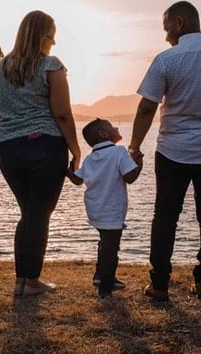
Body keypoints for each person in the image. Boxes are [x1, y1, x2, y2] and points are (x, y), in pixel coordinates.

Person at [129, 1, 201, 300]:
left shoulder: (167, 59)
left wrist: (134, 146)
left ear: (179, 23)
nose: (166, 33)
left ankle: (159, 284)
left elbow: (146, 107)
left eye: (166, 26)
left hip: (173, 151)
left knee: (165, 216)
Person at [0, 10, 81, 296]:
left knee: (28, 213)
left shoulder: (0, 69)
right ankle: (31, 281)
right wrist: (76, 150)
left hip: (8, 148)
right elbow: (63, 114)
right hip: (44, 146)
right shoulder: (50, 66)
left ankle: (22, 280)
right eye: (51, 36)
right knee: (39, 215)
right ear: (40, 36)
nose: (53, 43)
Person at [66, 119, 143, 298]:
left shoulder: (90, 158)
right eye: (112, 126)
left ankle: (101, 275)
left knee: (105, 243)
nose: (116, 127)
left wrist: (70, 169)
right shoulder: (119, 152)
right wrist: (138, 163)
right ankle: (106, 286)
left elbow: (77, 179)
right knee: (111, 248)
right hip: (112, 210)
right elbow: (130, 177)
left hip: (95, 209)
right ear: (104, 134)